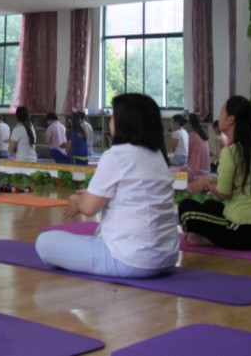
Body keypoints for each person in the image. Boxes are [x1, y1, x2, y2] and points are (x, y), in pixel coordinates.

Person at [36, 93, 179, 278]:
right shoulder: (157, 156)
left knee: (44, 242)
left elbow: (89, 209)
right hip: (167, 258)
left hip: (130, 260)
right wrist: (92, 194)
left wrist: (76, 200)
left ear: (124, 122)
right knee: (94, 234)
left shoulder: (116, 155)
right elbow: (135, 194)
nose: (111, 120)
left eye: (113, 116)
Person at [179, 96, 251, 250]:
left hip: (242, 230)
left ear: (231, 119)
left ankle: (210, 239)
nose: (219, 116)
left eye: (222, 112)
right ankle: (212, 237)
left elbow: (224, 193)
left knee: (186, 208)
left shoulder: (231, 151)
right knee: (210, 205)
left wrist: (207, 184)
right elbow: (235, 184)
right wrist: (209, 181)